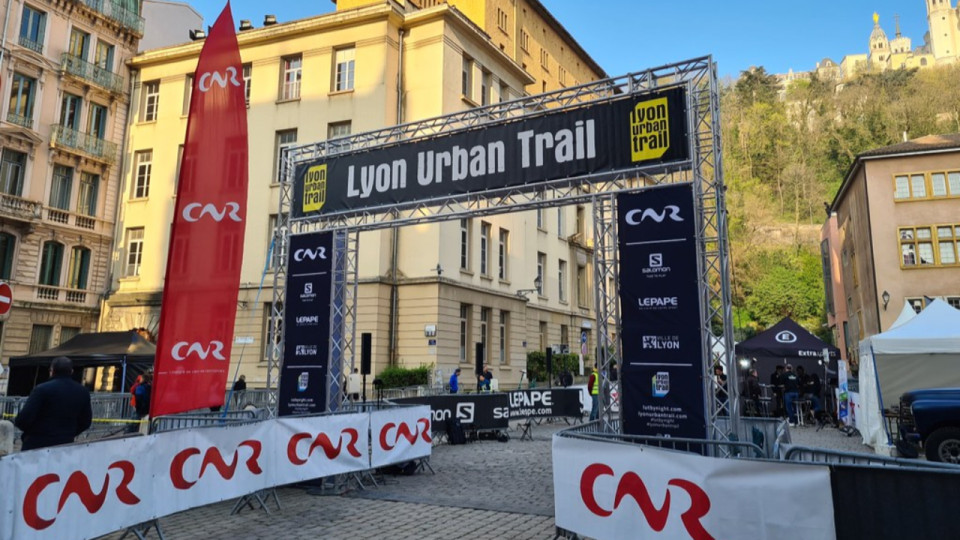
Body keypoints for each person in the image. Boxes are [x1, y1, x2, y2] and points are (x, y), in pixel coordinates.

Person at [14, 356, 93, 451]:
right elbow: (86, 421)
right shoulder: (82, 392)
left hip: (37, 443)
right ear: (71, 371)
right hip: (65, 443)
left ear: (52, 371)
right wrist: (69, 433)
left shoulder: (42, 389)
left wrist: (30, 433)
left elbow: (24, 418)